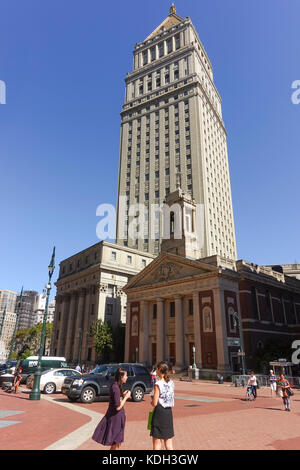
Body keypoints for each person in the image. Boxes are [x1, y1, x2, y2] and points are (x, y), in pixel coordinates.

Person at [92, 368, 131, 450]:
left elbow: (116, 399)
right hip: (115, 418)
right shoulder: (115, 387)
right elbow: (118, 407)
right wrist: (126, 397)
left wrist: (122, 395)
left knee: (117, 443)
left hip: (118, 417)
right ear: (121, 377)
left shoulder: (117, 386)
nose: (127, 377)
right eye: (126, 375)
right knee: (115, 442)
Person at [150, 361, 175, 451]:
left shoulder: (158, 384)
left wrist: (152, 401)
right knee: (169, 444)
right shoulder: (171, 383)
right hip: (168, 413)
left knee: (157, 443)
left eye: (157, 368)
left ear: (160, 370)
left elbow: (155, 402)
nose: (156, 370)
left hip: (159, 413)